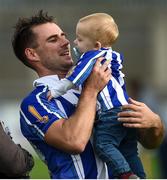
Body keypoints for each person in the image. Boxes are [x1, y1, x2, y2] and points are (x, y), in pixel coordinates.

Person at [11, 10, 164, 179]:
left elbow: (150, 143)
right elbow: (73, 141)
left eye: (63, 36)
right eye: (53, 39)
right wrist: (90, 91)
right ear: (32, 54)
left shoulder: (100, 79)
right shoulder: (34, 103)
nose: (66, 42)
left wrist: (154, 123)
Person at [47, 13, 144, 178]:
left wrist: (57, 90)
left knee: (103, 145)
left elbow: (78, 75)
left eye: (80, 39)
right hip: (126, 109)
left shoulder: (92, 56)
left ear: (96, 44)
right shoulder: (111, 55)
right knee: (129, 150)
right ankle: (140, 175)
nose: (75, 43)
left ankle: (126, 174)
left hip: (111, 112)